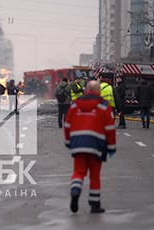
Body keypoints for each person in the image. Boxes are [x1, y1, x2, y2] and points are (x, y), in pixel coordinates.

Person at [64, 80, 116, 214]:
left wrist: (68, 141)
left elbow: (67, 124)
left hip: (78, 144)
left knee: (78, 172)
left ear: (86, 90)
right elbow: (110, 128)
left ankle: (75, 190)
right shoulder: (104, 106)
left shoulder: (75, 104)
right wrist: (111, 146)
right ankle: (94, 204)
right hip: (96, 145)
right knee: (94, 175)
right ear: (98, 91)